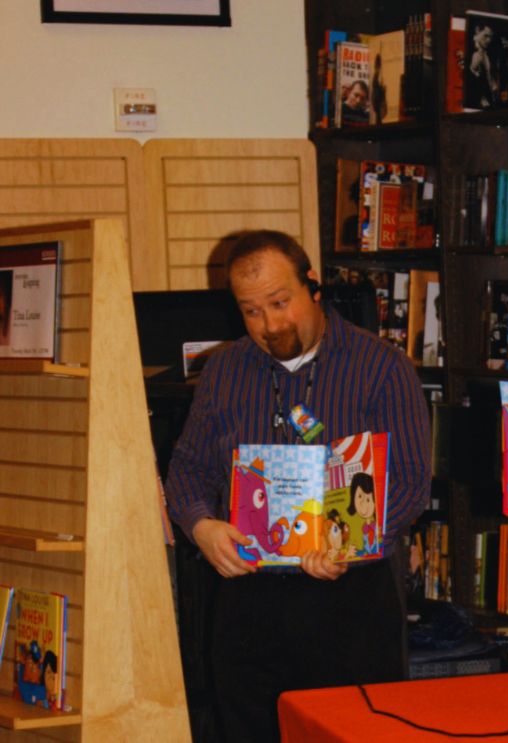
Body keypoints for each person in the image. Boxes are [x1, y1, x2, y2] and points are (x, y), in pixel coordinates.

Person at [165, 230, 431, 743]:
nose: (270, 325)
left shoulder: (381, 367)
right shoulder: (222, 371)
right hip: (246, 600)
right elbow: (188, 466)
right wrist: (200, 526)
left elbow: (412, 481)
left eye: (279, 303)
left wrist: (346, 547)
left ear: (313, 286)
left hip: (349, 599)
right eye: (251, 311)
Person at [466, 23, 498, 108]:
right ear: (477, 32)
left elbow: (489, 75)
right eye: (485, 36)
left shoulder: (486, 53)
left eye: (490, 37)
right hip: (481, 103)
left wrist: (494, 87)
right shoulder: (476, 55)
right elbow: (475, 80)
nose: (488, 40)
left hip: (490, 101)